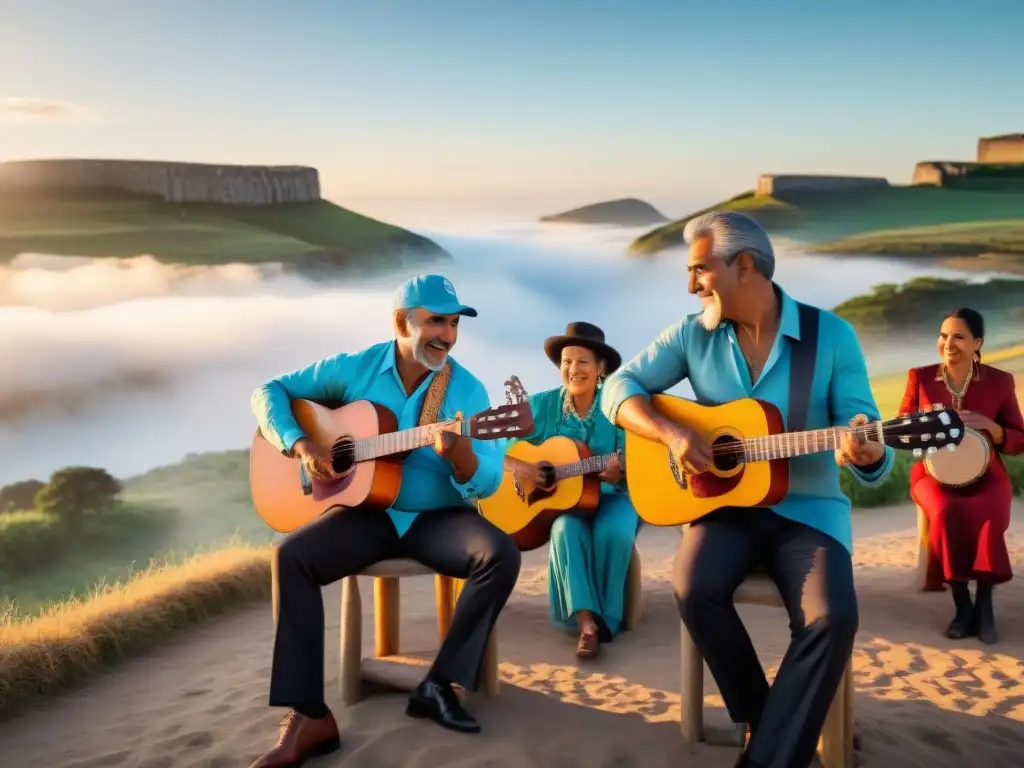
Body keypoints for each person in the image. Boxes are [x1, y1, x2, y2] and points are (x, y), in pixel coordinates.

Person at [599, 211, 895, 768]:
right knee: (694, 588)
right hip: (725, 508)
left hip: (808, 514)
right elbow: (618, 387)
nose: (690, 286)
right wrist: (673, 431)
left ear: (743, 266)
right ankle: (766, 721)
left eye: (698, 270)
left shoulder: (829, 336)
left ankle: (767, 756)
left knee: (832, 617)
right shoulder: (692, 334)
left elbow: (867, 432)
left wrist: (870, 450)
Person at [247, 274, 522, 768]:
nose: (448, 334)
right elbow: (269, 391)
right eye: (436, 321)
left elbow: (492, 478)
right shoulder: (356, 368)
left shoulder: (469, 391)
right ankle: (309, 715)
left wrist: (463, 459)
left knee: (498, 554)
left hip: (440, 518)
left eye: (454, 323)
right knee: (291, 557)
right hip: (368, 515)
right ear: (402, 321)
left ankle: (440, 684)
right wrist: (302, 444)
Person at [503, 322, 639, 659]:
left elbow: (637, 461)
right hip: (566, 503)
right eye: (566, 362)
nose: (572, 370)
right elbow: (503, 452)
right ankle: (585, 624)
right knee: (564, 530)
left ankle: (607, 617)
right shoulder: (543, 406)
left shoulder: (618, 407)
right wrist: (529, 471)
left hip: (613, 496)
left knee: (615, 532)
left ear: (601, 368)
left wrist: (617, 472)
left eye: (582, 362)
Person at [898, 307, 1024, 644]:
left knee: (988, 510)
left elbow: (1018, 439)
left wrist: (994, 428)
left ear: (977, 342)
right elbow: (900, 431)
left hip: (987, 474)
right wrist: (920, 428)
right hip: (932, 475)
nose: (948, 343)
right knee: (944, 509)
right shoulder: (920, 378)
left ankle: (984, 604)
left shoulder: (999, 381)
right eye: (943, 335)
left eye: (958, 336)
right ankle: (961, 603)